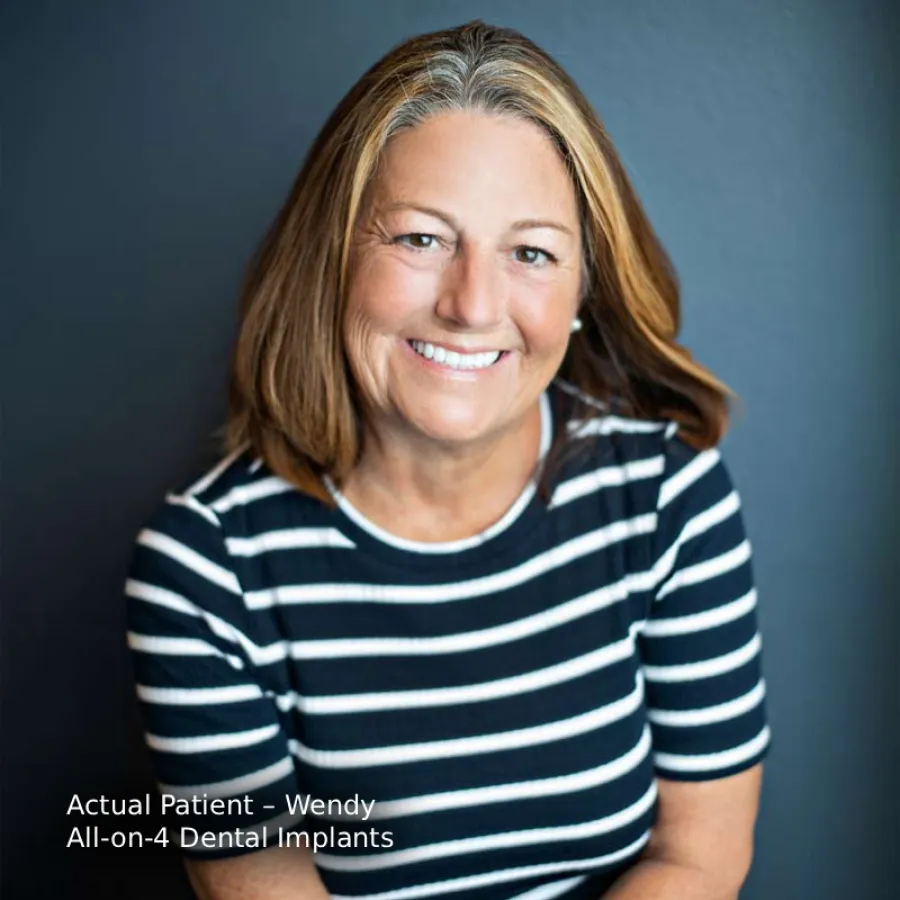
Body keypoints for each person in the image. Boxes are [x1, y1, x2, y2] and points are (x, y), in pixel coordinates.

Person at [125, 19, 770, 900]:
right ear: (336, 259)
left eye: (531, 252)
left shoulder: (668, 498)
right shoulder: (204, 574)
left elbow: (698, 860)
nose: (472, 305)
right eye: (421, 238)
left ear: (583, 291)